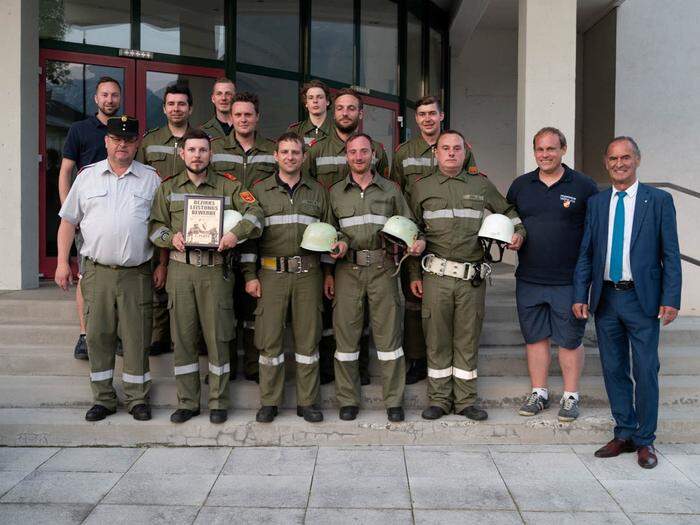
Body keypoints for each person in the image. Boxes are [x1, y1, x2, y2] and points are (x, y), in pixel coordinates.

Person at [573, 136, 681, 469]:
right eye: (613, 158)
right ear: (606, 162)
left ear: (637, 160)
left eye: (626, 157)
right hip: (606, 298)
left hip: (641, 299)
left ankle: (646, 441)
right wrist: (581, 293)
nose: (619, 163)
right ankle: (624, 432)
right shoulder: (597, 202)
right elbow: (587, 253)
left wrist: (671, 298)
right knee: (614, 369)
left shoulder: (659, 200)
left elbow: (671, 254)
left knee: (646, 370)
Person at [408, 130, 526, 421]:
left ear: (465, 152)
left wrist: (518, 233)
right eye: (445, 148)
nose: (451, 153)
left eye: (456, 148)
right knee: (436, 340)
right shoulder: (420, 187)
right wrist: (414, 273)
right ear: (435, 153)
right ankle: (438, 400)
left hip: (471, 279)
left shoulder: (480, 185)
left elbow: (508, 211)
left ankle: (465, 400)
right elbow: (412, 230)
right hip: (435, 276)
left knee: (467, 338)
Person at [149, 128, 264, 424]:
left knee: (218, 338)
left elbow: (255, 214)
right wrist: (169, 237)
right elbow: (154, 225)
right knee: (183, 338)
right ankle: (187, 402)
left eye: (202, 150)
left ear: (210, 154)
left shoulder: (229, 187)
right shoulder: (168, 188)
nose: (197, 156)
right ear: (181, 153)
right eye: (192, 150)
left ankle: (217, 402)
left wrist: (233, 234)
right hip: (180, 269)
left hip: (215, 270)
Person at [55, 115, 160, 422]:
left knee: (137, 336)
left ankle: (137, 398)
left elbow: (162, 225)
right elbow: (68, 221)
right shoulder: (86, 177)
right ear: (106, 142)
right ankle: (103, 398)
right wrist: (63, 262)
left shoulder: (151, 178)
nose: (122, 146)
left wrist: (162, 265)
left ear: (137, 143)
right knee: (98, 336)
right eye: (116, 140)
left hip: (136, 272)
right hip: (97, 271)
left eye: (128, 141)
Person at [326, 132, 424, 422]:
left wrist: (414, 264)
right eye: (353, 152)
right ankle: (348, 399)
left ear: (374, 155)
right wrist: (329, 271)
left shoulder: (391, 190)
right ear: (347, 156)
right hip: (347, 270)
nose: (358, 156)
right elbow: (328, 234)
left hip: (383, 269)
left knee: (389, 338)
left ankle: (393, 400)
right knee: (346, 339)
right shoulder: (334, 192)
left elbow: (410, 231)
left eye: (364, 151)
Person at [506, 127, 598, 421]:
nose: (545, 155)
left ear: (563, 149)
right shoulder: (521, 186)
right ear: (534, 152)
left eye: (551, 149)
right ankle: (539, 393)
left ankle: (571, 396)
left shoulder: (584, 186)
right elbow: (510, 220)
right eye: (540, 150)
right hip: (529, 278)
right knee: (535, 338)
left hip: (569, 280)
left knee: (570, 340)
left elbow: (594, 233)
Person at [303, 88, 389, 386]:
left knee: (362, 319)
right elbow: (309, 192)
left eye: (352, 108)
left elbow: (385, 189)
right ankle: (330, 371)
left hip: (368, 253)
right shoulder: (315, 149)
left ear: (360, 114)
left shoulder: (376, 147)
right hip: (326, 242)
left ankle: (362, 370)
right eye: (340, 108)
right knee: (332, 315)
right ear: (332, 110)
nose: (345, 113)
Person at [391, 95, 479, 385]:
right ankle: (417, 359)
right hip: (415, 232)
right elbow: (397, 192)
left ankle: (452, 358)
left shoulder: (458, 147)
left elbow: (472, 184)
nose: (427, 119)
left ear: (442, 116)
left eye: (432, 113)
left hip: (450, 234)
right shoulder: (404, 152)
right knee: (416, 300)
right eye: (422, 114)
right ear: (416, 119)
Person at [244, 132, 331, 423]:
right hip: (271, 274)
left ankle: (308, 402)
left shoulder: (318, 192)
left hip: (309, 274)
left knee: (308, 342)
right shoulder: (259, 190)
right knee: (270, 342)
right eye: (285, 152)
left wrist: (329, 273)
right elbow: (249, 240)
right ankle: (270, 401)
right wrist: (249, 275)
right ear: (275, 156)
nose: (290, 157)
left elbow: (329, 234)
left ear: (304, 157)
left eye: (296, 152)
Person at [210, 91, 277, 382]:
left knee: (253, 309)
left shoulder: (272, 150)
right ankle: (224, 368)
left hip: (261, 236)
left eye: (248, 114)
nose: (243, 119)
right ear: (230, 117)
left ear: (257, 116)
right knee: (223, 308)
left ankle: (252, 367)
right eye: (238, 114)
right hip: (222, 239)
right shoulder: (215, 149)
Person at [58, 76, 121, 360]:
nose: (109, 99)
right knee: (86, 275)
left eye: (114, 95)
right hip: (87, 216)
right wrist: (69, 212)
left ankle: (116, 333)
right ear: (96, 99)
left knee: (117, 276)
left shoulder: (125, 130)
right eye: (104, 95)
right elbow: (65, 171)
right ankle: (85, 335)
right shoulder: (80, 129)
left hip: (117, 217)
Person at [136, 82, 195, 356]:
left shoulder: (198, 140)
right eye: (171, 104)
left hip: (189, 219)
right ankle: (159, 336)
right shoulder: (150, 140)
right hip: (157, 215)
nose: (176, 108)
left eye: (181, 104)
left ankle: (188, 338)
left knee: (186, 278)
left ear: (190, 108)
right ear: (164, 108)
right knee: (157, 280)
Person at [287, 80, 333, 147]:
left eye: (319, 97)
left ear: (327, 101)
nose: (315, 101)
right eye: (311, 98)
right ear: (306, 103)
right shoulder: (295, 131)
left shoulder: (339, 130)